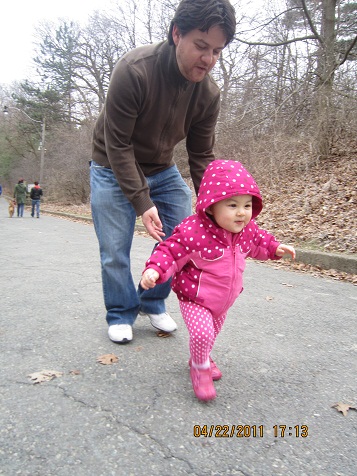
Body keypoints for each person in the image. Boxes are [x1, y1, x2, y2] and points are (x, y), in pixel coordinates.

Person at [90, 0, 236, 344]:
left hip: (161, 167)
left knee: (183, 235)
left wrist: (218, 206)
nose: (208, 59)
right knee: (114, 247)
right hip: (111, 164)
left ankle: (152, 301)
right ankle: (120, 312)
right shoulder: (135, 69)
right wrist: (142, 201)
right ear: (176, 34)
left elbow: (201, 155)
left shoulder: (208, 94)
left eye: (217, 51)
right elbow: (119, 143)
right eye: (201, 46)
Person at [140, 159, 296, 401]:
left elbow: (259, 242)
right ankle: (199, 369)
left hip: (223, 301)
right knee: (202, 334)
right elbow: (170, 250)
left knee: (210, 335)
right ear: (211, 207)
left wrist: (275, 248)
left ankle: (201, 356)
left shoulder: (247, 230)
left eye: (247, 205)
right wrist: (155, 270)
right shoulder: (194, 231)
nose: (242, 212)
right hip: (195, 298)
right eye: (232, 205)